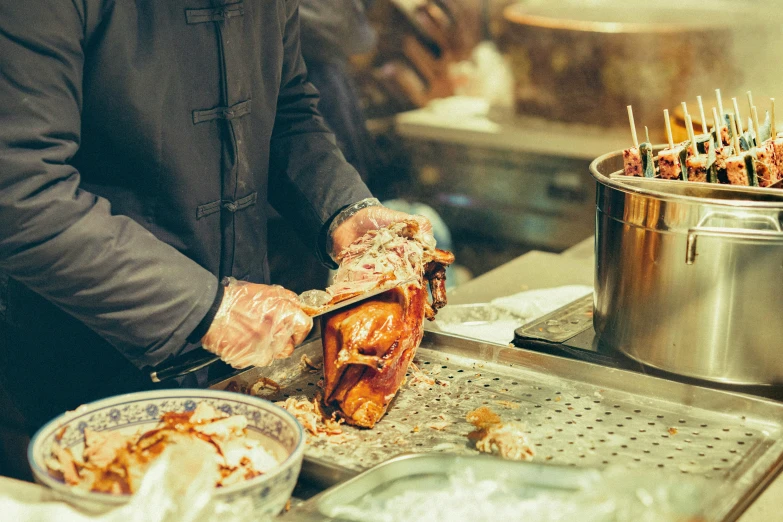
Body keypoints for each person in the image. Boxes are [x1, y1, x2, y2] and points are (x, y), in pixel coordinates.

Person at [0, 0, 433, 444]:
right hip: (84, 363)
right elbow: (20, 189)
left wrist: (343, 210)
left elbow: (288, 113)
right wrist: (204, 306)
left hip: (239, 361)